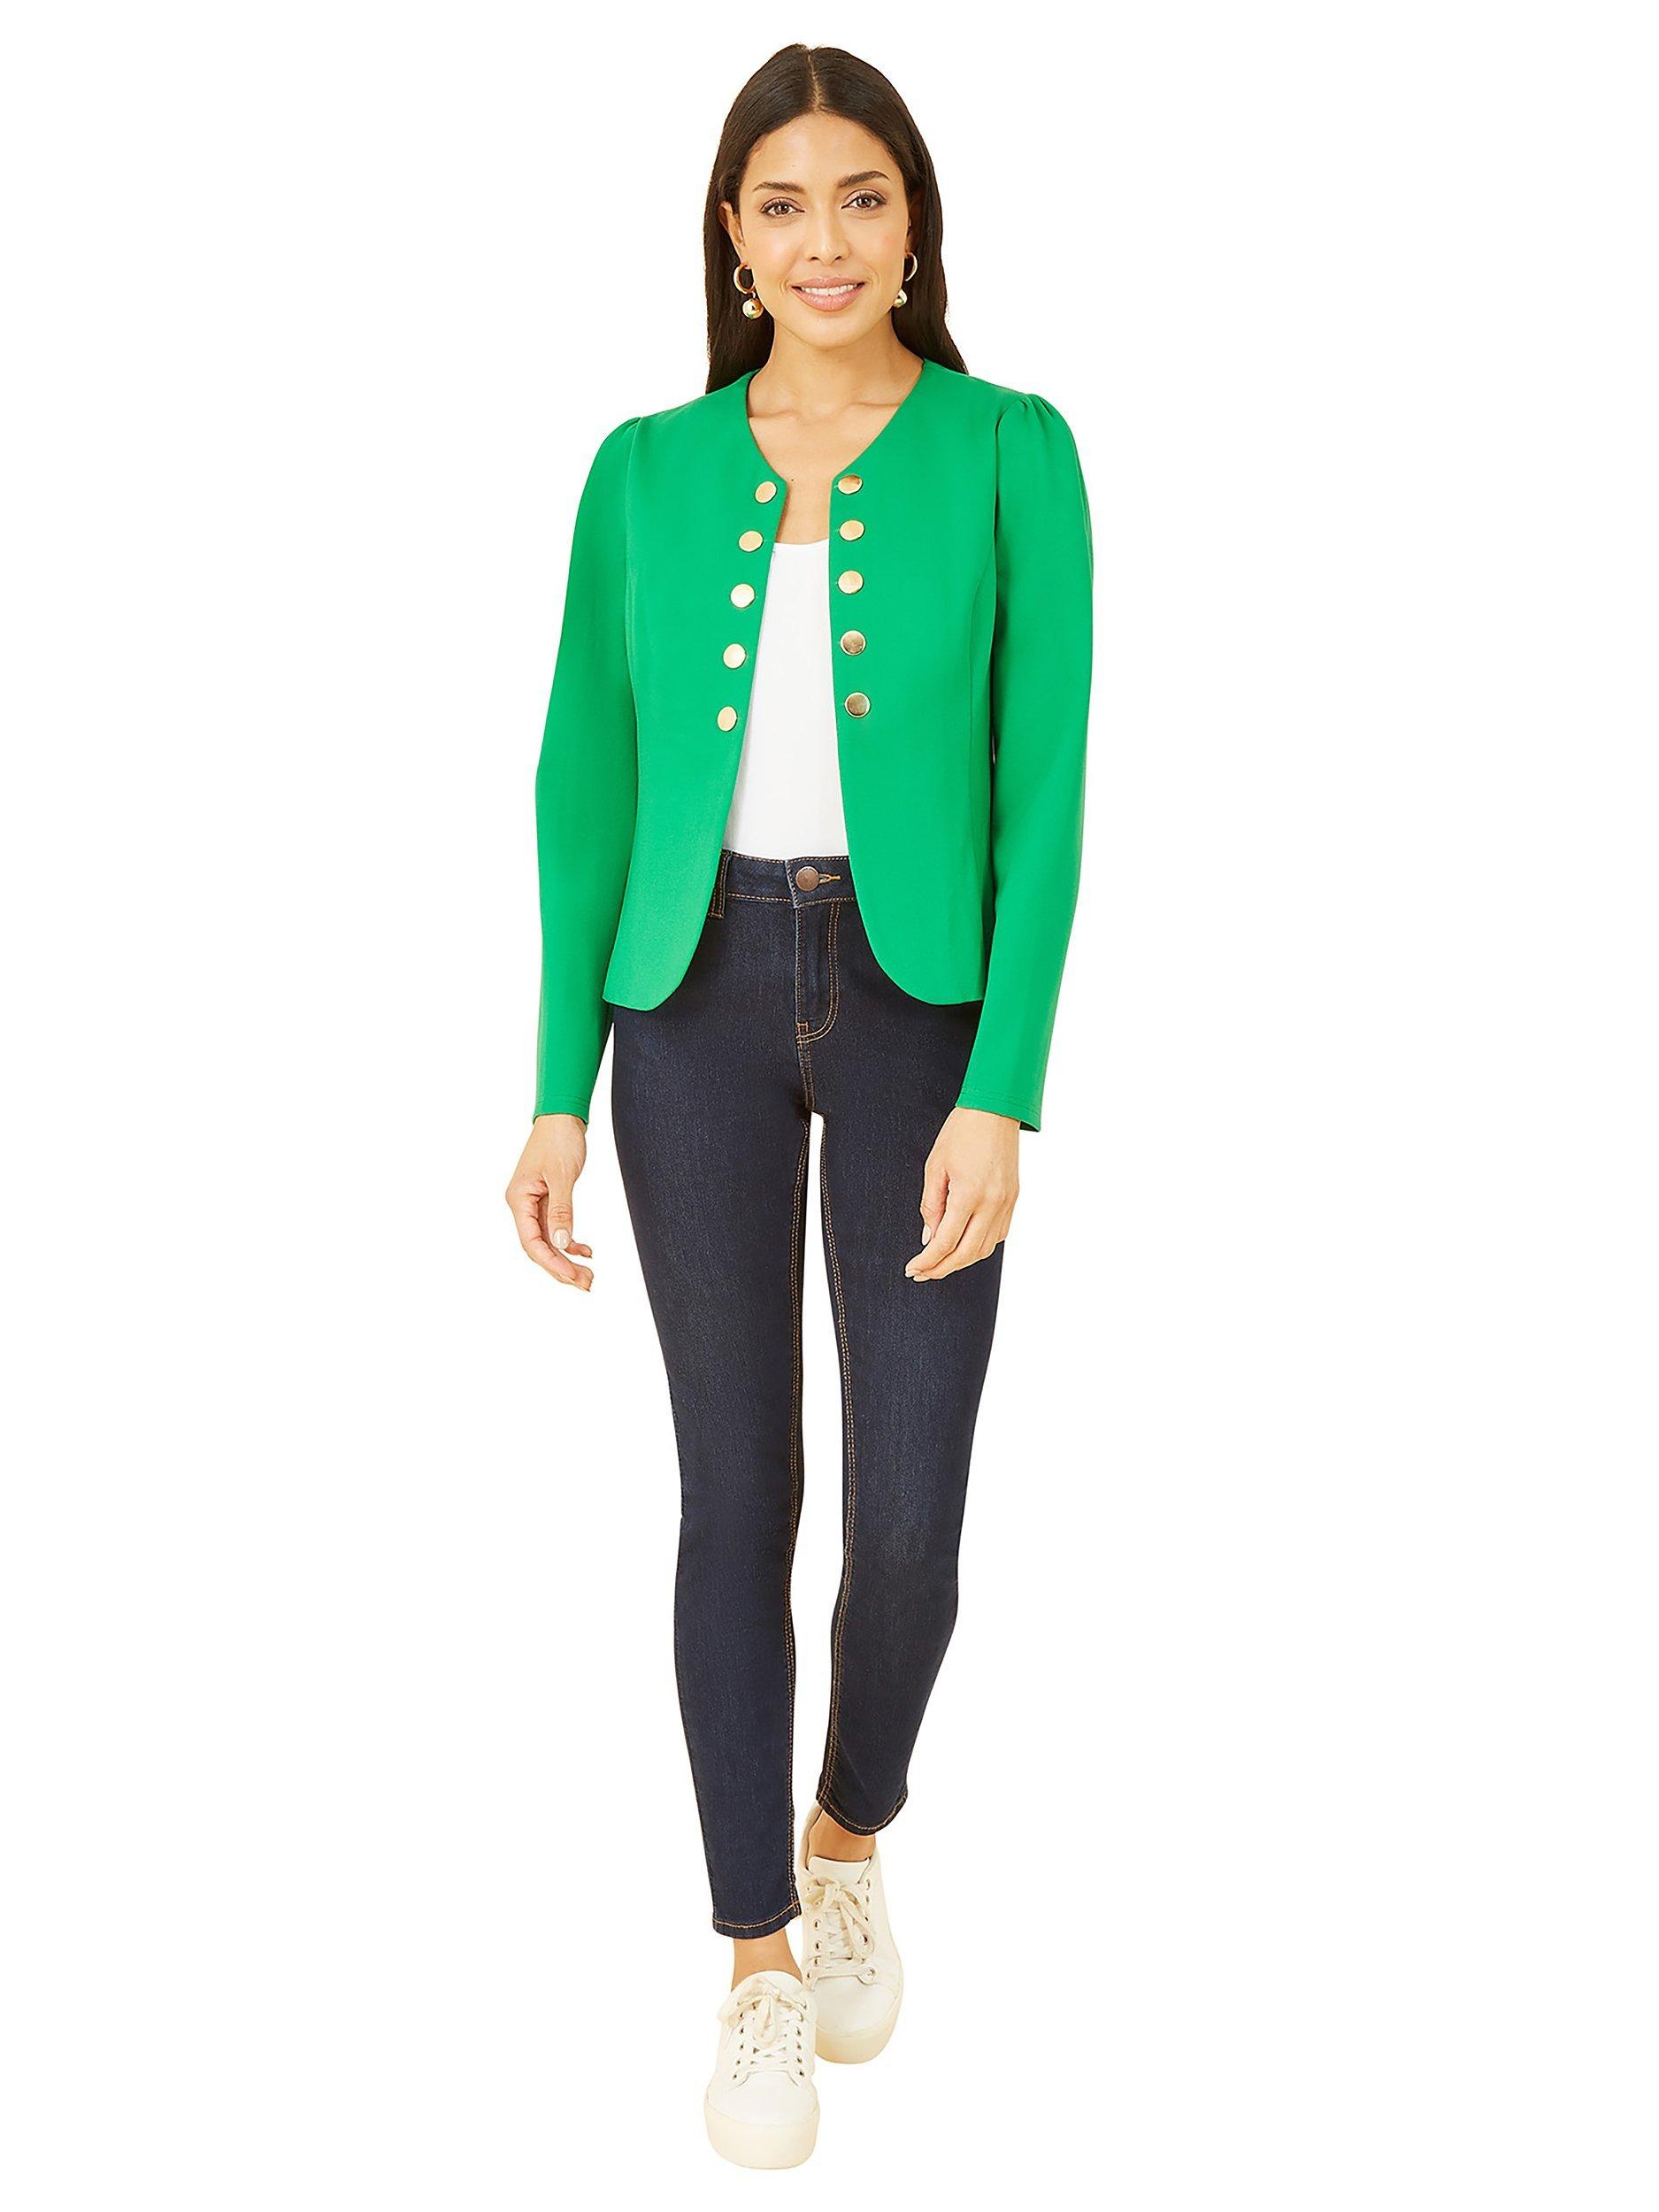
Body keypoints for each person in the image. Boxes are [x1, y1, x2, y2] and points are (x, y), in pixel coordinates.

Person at [505, 42, 1093, 2169]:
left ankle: (849, 1826)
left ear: (912, 221)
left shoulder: (1013, 449)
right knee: (734, 1489)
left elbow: (1043, 787)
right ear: (730, 237)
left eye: (860, 197)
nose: (822, 240)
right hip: (688, 1008)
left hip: (924, 1006)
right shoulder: (643, 469)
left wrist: (1005, 1084)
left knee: (912, 1514)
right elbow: (583, 780)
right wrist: (553, 1085)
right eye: (780, 203)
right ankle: (754, 1953)